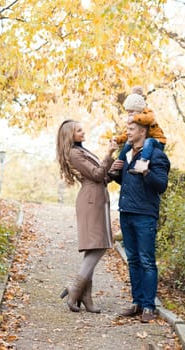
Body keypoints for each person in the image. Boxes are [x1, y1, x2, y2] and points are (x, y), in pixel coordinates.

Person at [109, 118, 170, 323]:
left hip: (145, 215)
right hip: (126, 212)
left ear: (142, 132)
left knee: (146, 261)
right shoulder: (127, 153)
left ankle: (148, 306)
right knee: (133, 260)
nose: (127, 131)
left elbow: (161, 185)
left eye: (131, 129)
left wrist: (147, 172)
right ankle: (136, 302)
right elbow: (126, 181)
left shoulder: (156, 155)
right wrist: (117, 171)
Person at [56, 119, 118, 313]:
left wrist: (113, 169)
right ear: (70, 135)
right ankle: (75, 287)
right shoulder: (74, 154)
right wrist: (108, 154)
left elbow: (102, 176)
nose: (83, 132)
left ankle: (85, 296)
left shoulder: (82, 151)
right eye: (79, 131)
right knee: (99, 247)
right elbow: (97, 175)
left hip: (97, 198)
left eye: (82, 129)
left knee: (94, 248)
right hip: (91, 201)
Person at [113, 86, 167, 175]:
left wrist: (134, 117)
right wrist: (118, 139)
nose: (130, 114)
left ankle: (142, 165)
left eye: (131, 111)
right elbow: (128, 133)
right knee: (128, 143)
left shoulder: (147, 113)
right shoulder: (135, 118)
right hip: (145, 143)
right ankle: (118, 165)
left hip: (157, 141)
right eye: (128, 112)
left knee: (148, 141)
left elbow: (149, 119)